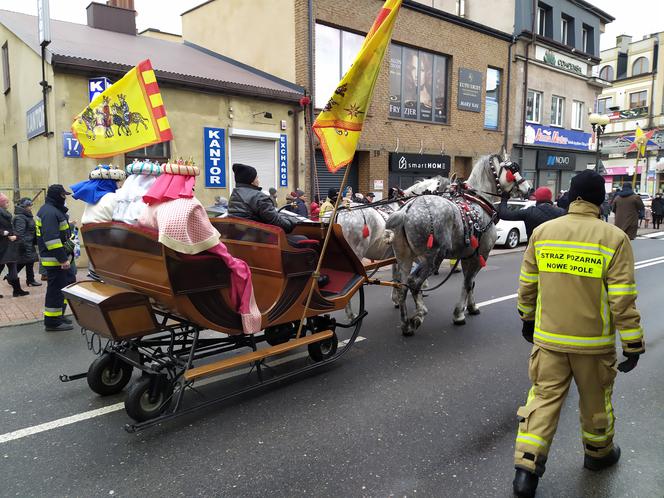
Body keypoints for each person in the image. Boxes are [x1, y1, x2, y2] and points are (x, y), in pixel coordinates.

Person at [513, 170, 644, 498]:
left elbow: (528, 286)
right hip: (593, 346)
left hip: (549, 341)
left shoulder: (543, 233)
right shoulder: (614, 239)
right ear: (601, 200)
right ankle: (598, 456)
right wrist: (632, 343)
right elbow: (622, 298)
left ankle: (525, 472)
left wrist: (527, 320)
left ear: (571, 196)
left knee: (542, 400)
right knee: (596, 402)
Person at [36, 185, 77, 331]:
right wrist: (62, 259)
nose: (65, 198)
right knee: (55, 290)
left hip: (60, 259)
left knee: (64, 287)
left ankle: (58, 315)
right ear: (58, 196)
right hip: (55, 260)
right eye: (63, 195)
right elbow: (51, 239)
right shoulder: (49, 212)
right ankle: (52, 322)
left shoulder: (52, 210)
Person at [228, 163, 295, 233]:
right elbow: (276, 222)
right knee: (301, 239)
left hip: (240, 236)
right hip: (259, 238)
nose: (258, 180)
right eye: (257, 177)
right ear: (251, 181)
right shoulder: (259, 197)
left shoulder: (234, 194)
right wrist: (292, 223)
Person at [497, 187, 565, 239]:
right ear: (550, 197)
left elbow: (504, 214)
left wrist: (504, 199)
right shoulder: (561, 212)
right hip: (555, 251)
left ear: (537, 198)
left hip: (533, 251)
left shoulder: (530, 212)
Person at [0, 193, 29, 297]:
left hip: (9, 245)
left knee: (12, 266)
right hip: (2, 246)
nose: (8, 204)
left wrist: (15, 235)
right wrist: (5, 234)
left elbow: (11, 228)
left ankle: (17, 290)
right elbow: (4, 230)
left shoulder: (6, 214)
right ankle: (17, 290)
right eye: (6, 202)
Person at [13, 197, 41, 287]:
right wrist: (24, 244)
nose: (31, 207)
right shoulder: (20, 217)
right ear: (25, 206)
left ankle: (30, 280)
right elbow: (20, 233)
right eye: (29, 206)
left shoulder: (26, 215)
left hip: (29, 242)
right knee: (24, 262)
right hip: (25, 243)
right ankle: (12, 276)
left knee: (29, 262)